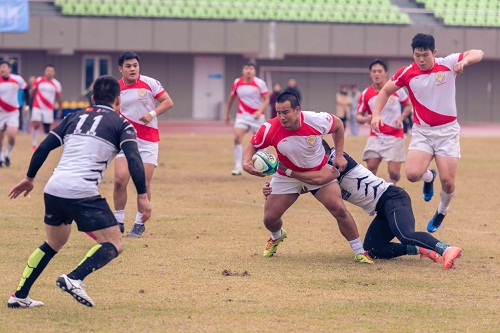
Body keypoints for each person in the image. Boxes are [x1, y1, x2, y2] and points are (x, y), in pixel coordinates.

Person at [7, 75, 152, 308]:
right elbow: (134, 158)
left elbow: (44, 146)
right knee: (115, 243)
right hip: (81, 190)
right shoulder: (122, 123)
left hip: (54, 188)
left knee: (53, 243)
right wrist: (142, 195)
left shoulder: (73, 117)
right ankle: (74, 278)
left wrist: (29, 177)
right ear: (118, 100)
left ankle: (19, 296)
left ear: (92, 98)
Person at [264, 140, 463, 270]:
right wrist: (274, 190)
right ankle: (419, 250)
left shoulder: (336, 160)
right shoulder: (319, 170)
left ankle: (446, 249)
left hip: (393, 198)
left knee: (405, 234)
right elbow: (304, 186)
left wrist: (288, 172)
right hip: (381, 210)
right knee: (373, 249)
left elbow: (319, 178)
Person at [370, 33, 484, 233]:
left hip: (447, 132)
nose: (421, 60)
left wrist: (465, 61)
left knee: (448, 182)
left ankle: (442, 210)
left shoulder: (447, 63)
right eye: (417, 55)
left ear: (434, 52)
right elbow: (385, 91)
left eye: (425, 55)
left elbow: (479, 52)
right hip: (422, 132)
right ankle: (429, 178)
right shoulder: (406, 72)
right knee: (412, 174)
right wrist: (376, 115)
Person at [242, 92, 373, 264]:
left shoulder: (316, 120)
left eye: (286, 112)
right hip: (286, 176)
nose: (281, 117)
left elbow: (339, 125)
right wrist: (245, 163)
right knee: (270, 218)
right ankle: (276, 236)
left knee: (339, 209)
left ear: (297, 110)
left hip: (318, 172)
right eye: (278, 112)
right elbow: (253, 144)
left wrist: (339, 155)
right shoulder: (269, 128)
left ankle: (359, 252)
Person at [114, 51, 174, 238]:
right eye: (128, 66)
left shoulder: (150, 83)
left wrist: (152, 114)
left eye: (135, 65)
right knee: (119, 180)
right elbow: (109, 107)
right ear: (120, 69)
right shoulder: (115, 88)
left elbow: (168, 102)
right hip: (125, 140)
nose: (132, 69)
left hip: (148, 141)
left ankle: (140, 223)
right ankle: (118, 221)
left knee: (144, 182)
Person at [356, 59, 412, 185]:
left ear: (385, 73)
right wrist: (366, 119)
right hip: (376, 136)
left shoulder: (396, 89)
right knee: (370, 167)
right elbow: (358, 116)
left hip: (395, 136)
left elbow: (408, 105)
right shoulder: (366, 94)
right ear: (370, 74)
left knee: (394, 172)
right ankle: (373, 191)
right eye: (374, 71)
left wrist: (401, 118)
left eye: (380, 71)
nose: (377, 74)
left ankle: (391, 186)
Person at [224, 62, 269, 176]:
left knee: (261, 142)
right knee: (237, 138)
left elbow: (266, 99)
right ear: (242, 70)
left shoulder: (260, 83)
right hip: (242, 116)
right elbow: (231, 99)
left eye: (251, 68)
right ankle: (238, 166)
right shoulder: (237, 82)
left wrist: (259, 111)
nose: (248, 70)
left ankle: (265, 165)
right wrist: (227, 113)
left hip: (257, 117)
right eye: (246, 68)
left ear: (254, 71)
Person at [0, 60, 28, 168]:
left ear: (9, 69)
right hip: (1, 113)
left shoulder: (17, 79)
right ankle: (1, 157)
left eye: (4, 67)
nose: (2, 69)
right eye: (1, 67)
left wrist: (26, 105)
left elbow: (26, 90)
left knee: (11, 136)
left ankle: (8, 154)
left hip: (13, 112)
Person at [30, 65, 63, 152]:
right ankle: (33, 144)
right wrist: (29, 103)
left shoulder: (56, 84)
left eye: (51, 71)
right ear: (45, 71)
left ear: (54, 73)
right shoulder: (38, 80)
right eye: (48, 70)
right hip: (37, 106)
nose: (49, 73)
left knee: (47, 127)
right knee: (36, 124)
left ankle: (44, 146)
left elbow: (59, 97)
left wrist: (60, 108)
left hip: (48, 108)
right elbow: (32, 92)